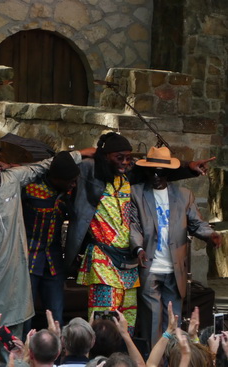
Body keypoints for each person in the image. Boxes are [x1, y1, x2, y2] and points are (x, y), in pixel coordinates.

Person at [66, 132, 212, 334]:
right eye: (120, 157)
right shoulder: (89, 170)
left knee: (127, 324)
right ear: (105, 156)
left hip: (129, 261)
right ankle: (101, 362)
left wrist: (189, 167)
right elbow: (60, 164)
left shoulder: (128, 174)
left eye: (128, 157)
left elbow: (157, 169)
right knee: (104, 323)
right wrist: (82, 153)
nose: (126, 162)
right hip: (103, 258)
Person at [0, 132, 83, 340]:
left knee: (17, 337)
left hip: (15, 274)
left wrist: (82, 153)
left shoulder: (12, 179)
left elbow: (46, 165)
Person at [130, 146, 222, 347]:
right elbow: (134, 225)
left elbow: (196, 223)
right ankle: (153, 361)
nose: (155, 176)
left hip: (175, 268)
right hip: (150, 266)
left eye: (160, 172)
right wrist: (138, 248)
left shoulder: (183, 195)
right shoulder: (136, 193)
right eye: (152, 171)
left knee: (174, 320)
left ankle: (173, 359)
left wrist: (210, 235)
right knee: (153, 318)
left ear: (169, 173)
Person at [22, 151, 80, 329]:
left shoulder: (67, 193)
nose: (73, 185)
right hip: (29, 259)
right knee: (25, 314)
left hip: (54, 261)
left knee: (56, 315)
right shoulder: (29, 189)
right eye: (70, 181)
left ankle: (58, 351)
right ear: (57, 178)